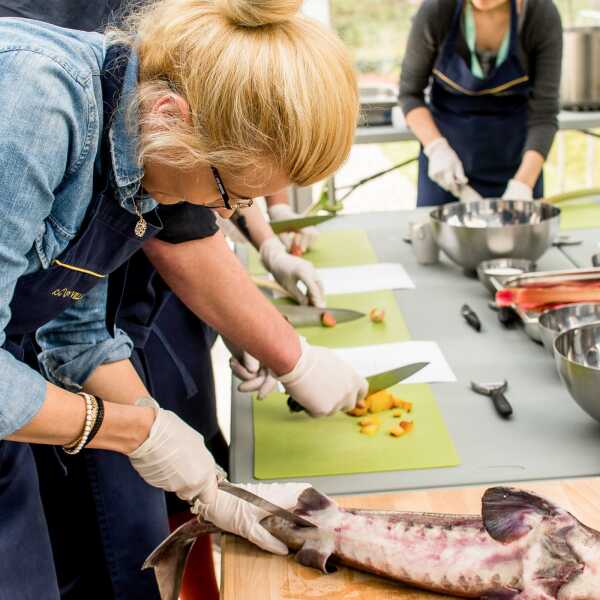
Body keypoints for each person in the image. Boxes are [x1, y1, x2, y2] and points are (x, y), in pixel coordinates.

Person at [0, 2, 368, 599]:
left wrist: (210, 486)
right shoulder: (34, 104)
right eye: (232, 193)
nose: (223, 215)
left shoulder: (136, 161)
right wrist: (132, 432)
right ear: (174, 116)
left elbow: (76, 339)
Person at [399, 0, 562, 206]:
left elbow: (544, 113)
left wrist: (522, 186)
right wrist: (436, 148)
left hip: (519, 165)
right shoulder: (438, 9)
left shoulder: (539, 15)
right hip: (447, 168)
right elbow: (409, 95)